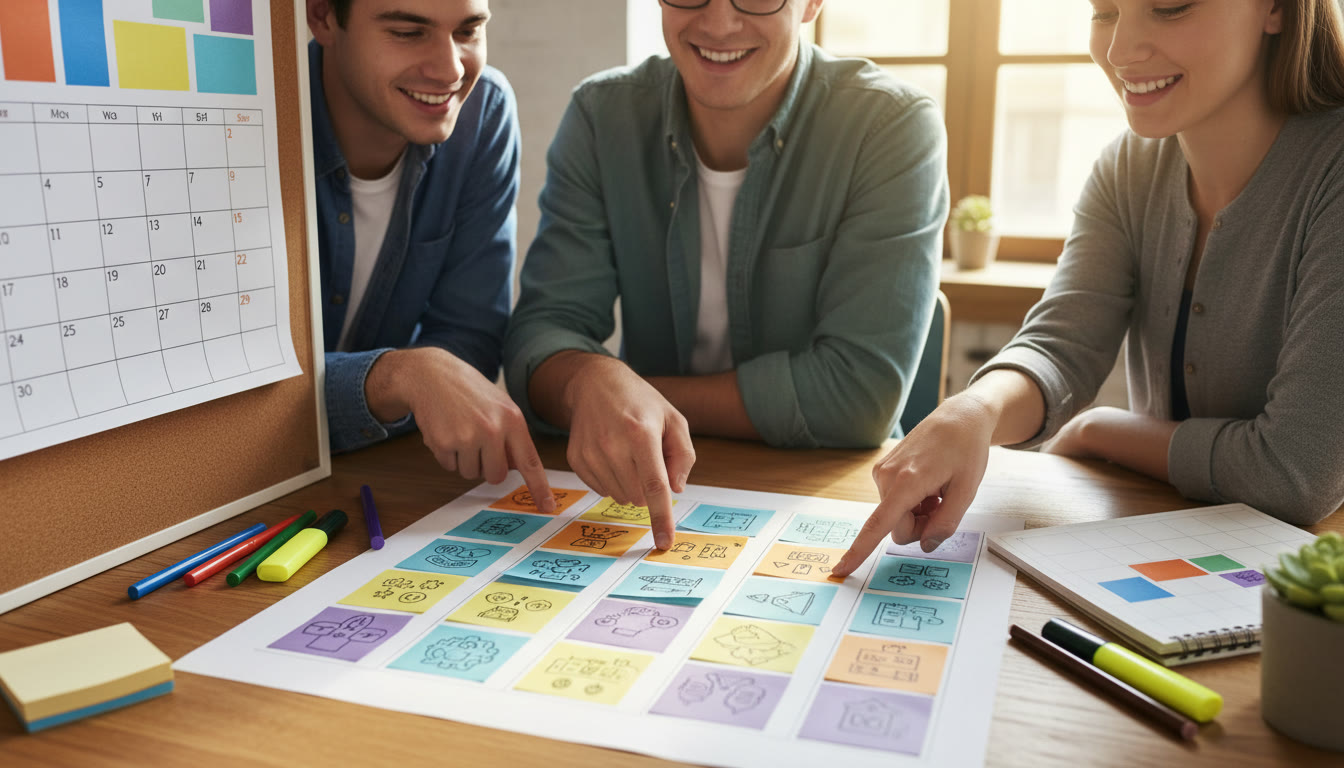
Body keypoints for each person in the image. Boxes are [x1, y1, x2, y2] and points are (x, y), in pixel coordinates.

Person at [835, 0, 1344, 577]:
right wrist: (974, 410)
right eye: (1104, 11)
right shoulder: (1127, 167)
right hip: (1171, 554)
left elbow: (1295, 471)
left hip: (1305, 598)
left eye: (1169, 7)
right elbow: (1061, 347)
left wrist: (1106, 429)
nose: (1120, 49)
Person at [503, 0, 948, 548]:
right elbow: (540, 335)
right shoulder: (602, 115)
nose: (717, 23)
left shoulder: (889, 125)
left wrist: (623, 395)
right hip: (640, 498)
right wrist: (586, 381)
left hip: (826, 501)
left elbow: (858, 397)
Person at [306, 0, 552, 510]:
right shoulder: (240, 120)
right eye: (407, 32)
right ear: (323, 17)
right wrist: (398, 377)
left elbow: (469, 347)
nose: (451, 70)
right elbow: (231, 404)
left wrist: (416, 378)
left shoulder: (482, 111)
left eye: (468, 31)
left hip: (376, 489)